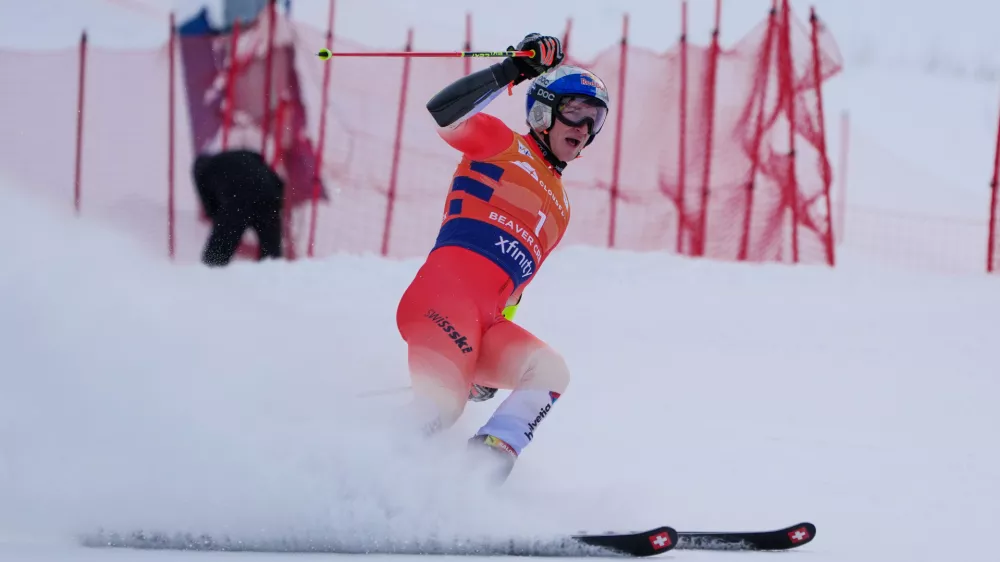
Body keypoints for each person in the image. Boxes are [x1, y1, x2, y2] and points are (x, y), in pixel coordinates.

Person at [394, 32, 611, 484]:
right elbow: (443, 113)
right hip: (443, 297)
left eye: (595, 119)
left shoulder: (562, 207)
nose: (584, 127)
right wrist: (511, 70)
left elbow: (513, 292)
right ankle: (353, 480)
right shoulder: (501, 142)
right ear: (543, 111)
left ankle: (479, 474)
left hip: (486, 321)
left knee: (549, 373)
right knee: (442, 408)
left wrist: (484, 365)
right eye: (574, 111)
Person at [192, 149, 284, 267]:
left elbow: (211, 206)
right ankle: (272, 273)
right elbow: (272, 176)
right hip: (269, 194)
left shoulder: (205, 170)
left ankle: (210, 274)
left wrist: (221, 224)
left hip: (239, 198)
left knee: (216, 256)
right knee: (271, 253)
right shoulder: (242, 156)